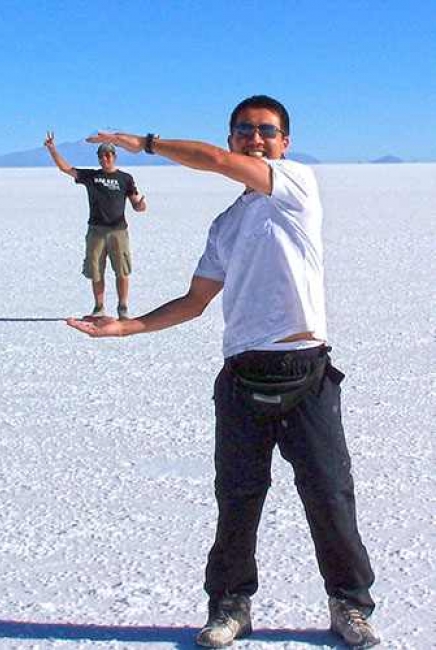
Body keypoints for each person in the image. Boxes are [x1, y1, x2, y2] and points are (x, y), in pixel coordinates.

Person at [66, 96, 380, 648]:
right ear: (233, 136)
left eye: (266, 131)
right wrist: (128, 326)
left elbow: (211, 160)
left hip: (305, 371)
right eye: (244, 131)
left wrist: (146, 144)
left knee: (329, 494)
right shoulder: (227, 225)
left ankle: (349, 605)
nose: (254, 138)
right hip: (241, 376)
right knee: (238, 497)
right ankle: (230, 605)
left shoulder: (295, 185)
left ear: (284, 142)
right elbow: (194, 301)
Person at [44, 131, 147, 319]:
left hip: (118, 231)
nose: (105, 158)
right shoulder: (91, 176)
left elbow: (137, 204)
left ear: (114, 157)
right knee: (96, 271)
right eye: (102, 155)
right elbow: (66, 169)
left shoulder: (125, 179)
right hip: (96, 231)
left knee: (122, 270)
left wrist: (141, 205)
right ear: (98, 159)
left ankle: (122, 307)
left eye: (109, 154)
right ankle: (99, 307)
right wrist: (52, 149)